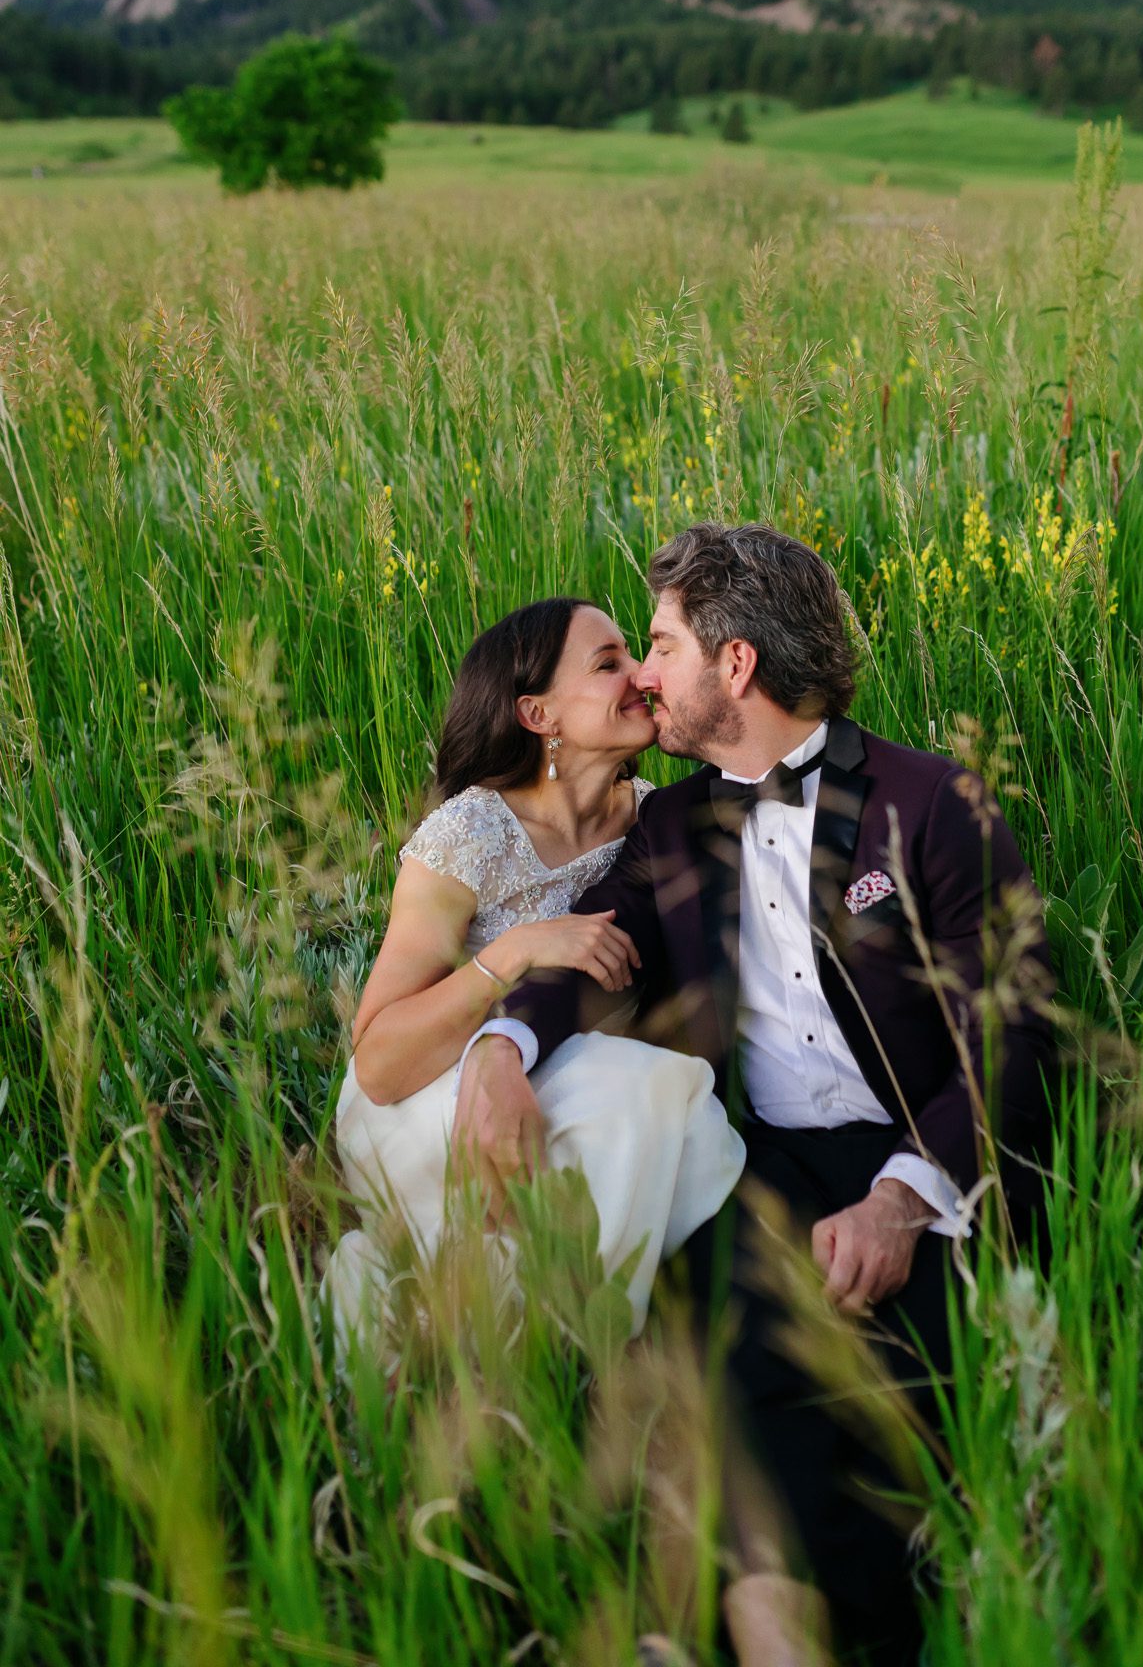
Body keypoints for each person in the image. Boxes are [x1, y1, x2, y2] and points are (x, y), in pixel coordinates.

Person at [452, 524, 1060, 1667]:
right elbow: (591, 958)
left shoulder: (931, 803)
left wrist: (904, 1196)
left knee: (896, 1408)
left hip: (926, 1164)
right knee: (736, 1394)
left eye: (666, 644)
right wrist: (499, 1049)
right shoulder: (671, 828)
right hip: (760, 1171)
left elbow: (1013, 1027)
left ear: (734, 664)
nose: (644, 673)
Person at [321, 597, 745, 1363]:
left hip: (576, 1080)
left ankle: (510, 1335)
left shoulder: (656, 822)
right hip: (431, 1095)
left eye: (636, 655)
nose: (641, 677)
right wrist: (513, 952)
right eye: (607, 662)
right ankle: (529, 1344)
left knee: (675, 1110)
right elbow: (378, 1063)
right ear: (538, 713)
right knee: (642, 1093)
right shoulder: (470, 834)